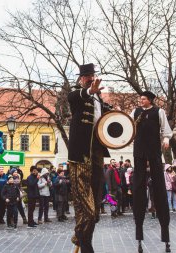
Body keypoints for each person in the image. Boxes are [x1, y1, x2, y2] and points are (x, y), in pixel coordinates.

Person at [67, 63, 111, 252]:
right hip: (80, 157)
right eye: (86, 76)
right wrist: (88, 91)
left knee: (95, 209)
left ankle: (83, 238)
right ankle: (85, 244)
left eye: (92, 75)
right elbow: (75, 98)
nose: (90, 78)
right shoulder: (76, 95)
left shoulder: (98, 100)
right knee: (86, 208)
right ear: (81, 79)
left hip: (97, 156)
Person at [130, 91, 172, 252]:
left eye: (144, 99)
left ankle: (165, 234)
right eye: (140, 98)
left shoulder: (159, 112)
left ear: (150, 101)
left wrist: (166, 139)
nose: (141, 101)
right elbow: (127, 124)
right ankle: (139, 231)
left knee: (159, 187)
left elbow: (165, 129)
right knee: (138, 186)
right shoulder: (135, 112)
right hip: (139, 151)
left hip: (154, 151)